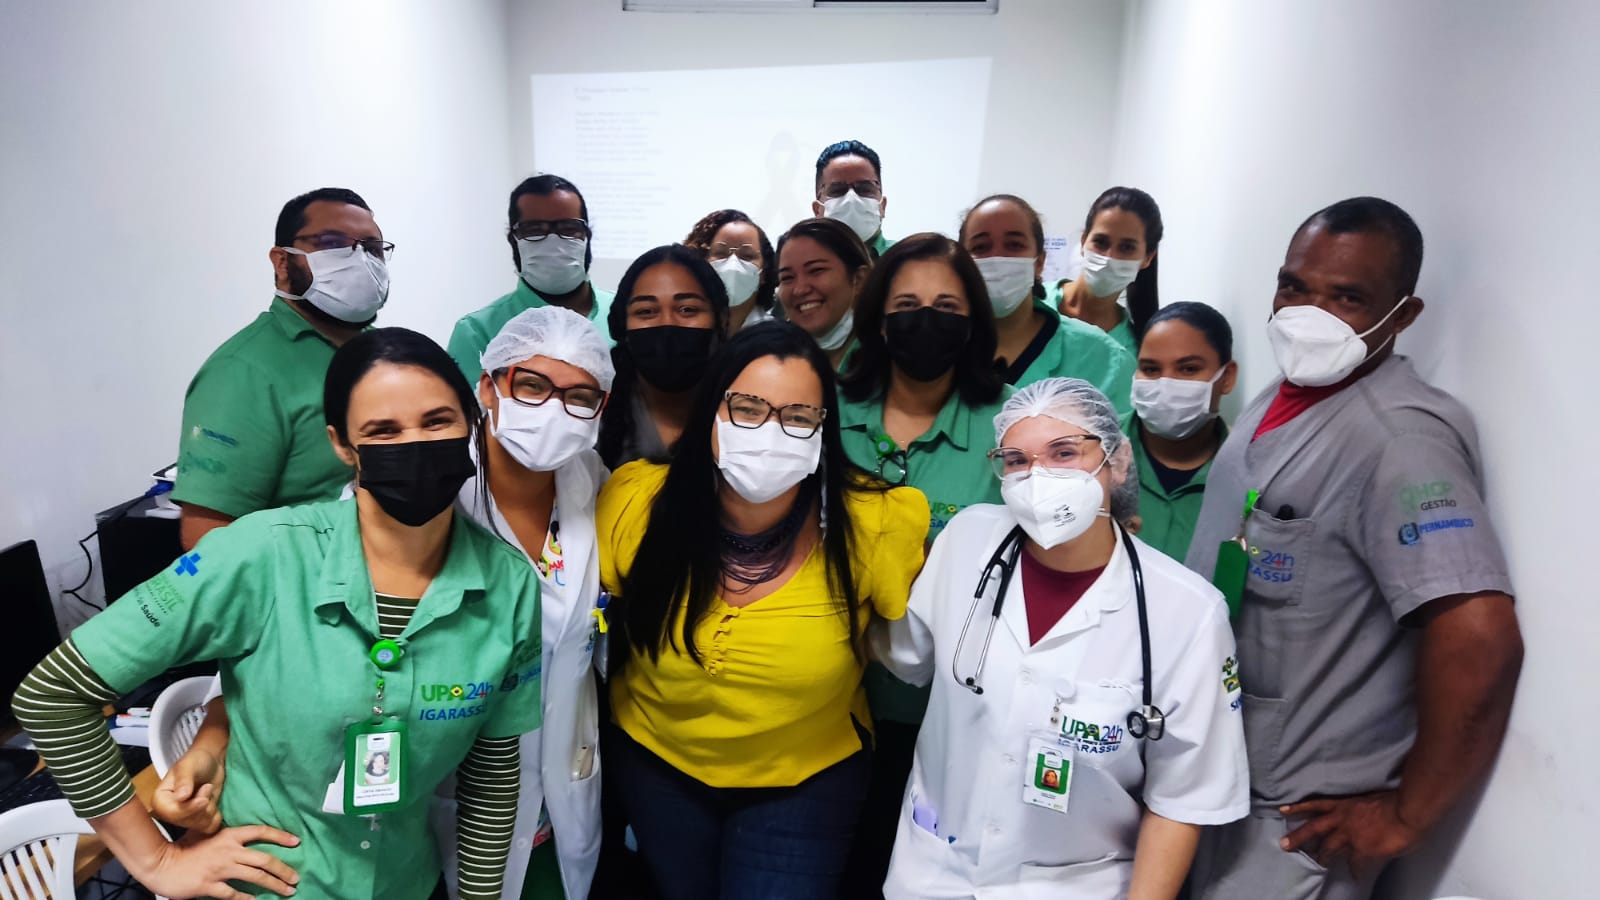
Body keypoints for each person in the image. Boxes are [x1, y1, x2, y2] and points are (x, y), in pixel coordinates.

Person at [12, 328, 544, 900]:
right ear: (343, 445)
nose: (414, 445)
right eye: (383, 431)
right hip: (264, 883)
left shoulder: (508, 585)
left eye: (437, 421)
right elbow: (51, 696)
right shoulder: (261, 554)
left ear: (472, 423)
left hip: (406, 881)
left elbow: (491, 772)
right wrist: (157, 861)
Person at [1184, 197, 1523, 900]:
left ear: (1402, 315)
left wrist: (1407, 817)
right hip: (1217, 785)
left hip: (1292, 828)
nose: (1308, 314)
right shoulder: (1283, 395)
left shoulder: (1401, 440)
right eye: (1294, 287)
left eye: (1346, 298)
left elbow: (1480, 636)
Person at [871, 377, 1249, 899]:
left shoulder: (1188, 612)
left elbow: (1182, 799)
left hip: (1080, 883)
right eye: (1016, 460)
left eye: (1064, 452)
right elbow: (906, 655)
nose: (1038, 476)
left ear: (1116, 461)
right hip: (936, 872)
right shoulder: (967, 540)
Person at [596, 323, 929, 899]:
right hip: (657, 764)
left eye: (797, 417)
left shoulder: (879, 521)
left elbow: (907, 645)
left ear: (823, 430)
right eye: (747, 408)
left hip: (806, 778)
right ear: (712, 411)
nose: (770, 432)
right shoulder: (636, 500)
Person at [832, 233, 1012, 899]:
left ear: (973, 322)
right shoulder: (825, 409)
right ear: (879, 319)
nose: (926, 319)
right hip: (830, 713)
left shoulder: (1012, 424)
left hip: (956, 718)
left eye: (947, 306)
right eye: (906, 305)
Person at [172, 186, 392, 549]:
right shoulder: (242, 372)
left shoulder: (385, 352)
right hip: (316, 579)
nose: (358, 260)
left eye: (371, 248)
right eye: (332, 243)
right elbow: (207, 538)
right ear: (282, 261)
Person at [960, 193, 1135, 412]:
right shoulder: (941, 347)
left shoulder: (1105, 360)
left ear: (1039, 263)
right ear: (961, 263)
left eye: (1014, 245)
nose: (998, 257)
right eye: (980, 247)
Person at [448, 174, 617, 379]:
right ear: (513, 240)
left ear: (586, 236)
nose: (553, 241)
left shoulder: (625, 313)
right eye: (535, 230)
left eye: (568, 228)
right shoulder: (477, 332)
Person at [596, 244, 730, 469]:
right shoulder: (591, 410)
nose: (667, 323)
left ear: (721, 319)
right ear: (622, 324)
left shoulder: (749, 404)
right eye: (646, 311)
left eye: (687, 309)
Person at [1128, 301, 1238, 562]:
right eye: (1151, 369)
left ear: (1227, 377)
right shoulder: (1094, 452)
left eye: (1188, 369)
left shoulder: (1249, 474)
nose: (1166, 384)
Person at [1050, 187, 1164, 359]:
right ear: (1083, 241)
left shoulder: (1133, 350)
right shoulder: (1033, 305)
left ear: (1147, 258)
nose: (1109, 257)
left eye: (1127, 247)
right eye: (1101, 242)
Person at [775, 217, 873, 370]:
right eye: (787, 278)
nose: (800, 289)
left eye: (816, 270)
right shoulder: (769, 361)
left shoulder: (892, 363)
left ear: (859, 279)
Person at [683, 209, 778, 335]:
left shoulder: (784, 339)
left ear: (764, 272)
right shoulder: (680, 334)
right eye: (721, 253)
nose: (733, 265)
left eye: (746, 256)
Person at [812, 139, 891, 257]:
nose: (851, 199)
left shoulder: (907, 260)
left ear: (882, 206)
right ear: (817, 209)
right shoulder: (799, 264)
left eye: (864, 189)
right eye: (838, 190)